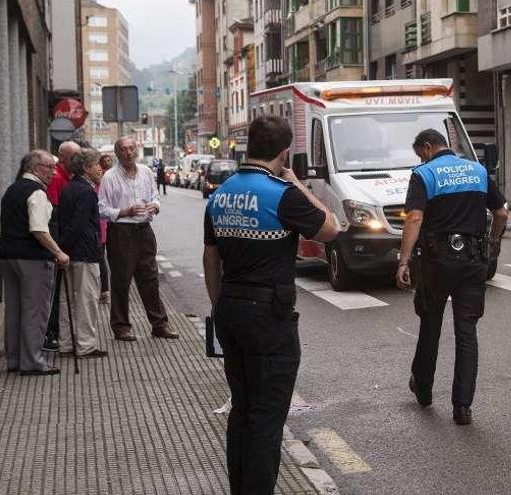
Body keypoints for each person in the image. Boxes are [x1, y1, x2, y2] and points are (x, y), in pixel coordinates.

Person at [203, 115, 338, 495]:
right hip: (269, 316)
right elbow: (331, 229)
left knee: (241, 409)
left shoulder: (221, 193)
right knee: (266, 417)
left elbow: (210, 258)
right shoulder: (282, 193)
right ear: (284, 153)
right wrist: (298, 184)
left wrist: (221, 306)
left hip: (230, 309)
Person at [397, 129, 508, 426]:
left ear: (428, 147)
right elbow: (501, 213)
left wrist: (404, 260)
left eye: (421, 153)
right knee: (466, 332)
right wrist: (493, 243)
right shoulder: (478, 170)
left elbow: (415, 218)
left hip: (437, 262)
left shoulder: (424, 174)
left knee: (430, 323)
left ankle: (423, 389)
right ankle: (462, 408)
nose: (421, 158)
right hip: (473, 260)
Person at [0, 150, 71, 375]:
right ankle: (32, 362)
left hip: (8, 256)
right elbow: (39, 228)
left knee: (14, 309)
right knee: (35, 310)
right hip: (32, 259)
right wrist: (59, 252)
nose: (53, 171)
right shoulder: (37, 192)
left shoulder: (11, 190)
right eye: (49, 167)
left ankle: (14, 359)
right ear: (35, 168)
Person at [99, 137, 176, 341]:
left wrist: (155, 206)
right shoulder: (109, 176)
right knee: (121, 280)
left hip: (144, 230)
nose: (128, 152)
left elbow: (155, 196)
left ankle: (159, 325)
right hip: (121, 232)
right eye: (123, 149)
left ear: (137, 151)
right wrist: (125, 211)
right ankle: (121, 327)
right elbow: (101, 209)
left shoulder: (146, 171)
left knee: (150, 278)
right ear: (117, 153)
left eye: (132, 148)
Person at [57, 148, 110, 359]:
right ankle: (86, 345)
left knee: (66, 300)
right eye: (97, 164)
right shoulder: (87, 192)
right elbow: (79, 224)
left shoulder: (69, 188)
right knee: (87, 300)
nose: (100, 168)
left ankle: (66, 343)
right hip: (83, 253)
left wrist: (62, 248)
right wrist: (67, 247)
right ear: (87, 168)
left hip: (69, 252)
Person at [42, 140, 81, 352]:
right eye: (74, 157)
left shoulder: (68, 177)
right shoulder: (56, 178)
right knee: (54, 292)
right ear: (64, 158)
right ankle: (51, 333)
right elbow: (55, 217)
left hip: (61, 242)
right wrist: (59, 248)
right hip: (57, 244)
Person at [97, 154, 112, 304]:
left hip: (106, 225)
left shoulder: (105, 182)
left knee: (104, 259)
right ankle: (104, 290)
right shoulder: (99, 183)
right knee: (101, 258)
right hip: (101, 226)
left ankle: (105, 290)